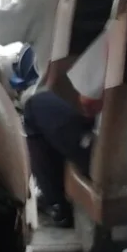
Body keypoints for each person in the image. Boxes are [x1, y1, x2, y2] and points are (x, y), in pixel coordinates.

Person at [23, 26, 108, 228]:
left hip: (104, 151)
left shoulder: (120, 31)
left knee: (35, 106)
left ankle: (57, 204)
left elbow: (87, 101)